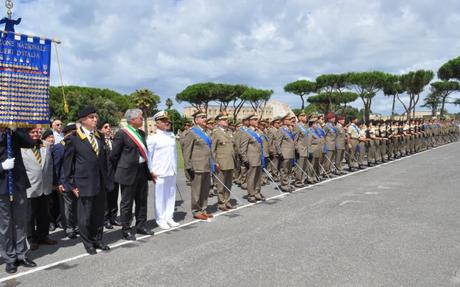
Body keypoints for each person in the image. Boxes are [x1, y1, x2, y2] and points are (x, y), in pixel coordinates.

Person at [64, 106, 110, 255]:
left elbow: (103, 160)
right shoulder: (74, 138)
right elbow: (68, 164)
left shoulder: (99, 136)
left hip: (100, 182)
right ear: (83, 120)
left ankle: (98, 239)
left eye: (96, 117)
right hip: (83, 183)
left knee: (98, 213)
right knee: (85, 215)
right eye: (92, 117)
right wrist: (72, 185)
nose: (95, 119)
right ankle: (88, 242)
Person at [111, 109, 154, 240]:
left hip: (141, 170)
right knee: (127, 203)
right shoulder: (122, 134)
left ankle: (141, 225)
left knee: (142, 200)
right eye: (140, 118)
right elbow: (113, 155)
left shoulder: (141, 133)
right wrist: (123, 167)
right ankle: (126, 229)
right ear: (132, 119)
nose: (142, 119)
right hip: (128, 173)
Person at [0, 128, 39, 273]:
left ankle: (21, 254)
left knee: (20, 221)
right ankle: (9, 258)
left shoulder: (14, 133)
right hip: (2, 185)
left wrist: (15, 130)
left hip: (18, 184)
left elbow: (30, 143)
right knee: (5, 225)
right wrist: (1, 166)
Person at [21, 128, 57, 251]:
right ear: (27, 134)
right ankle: (32, 239)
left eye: (37, 132)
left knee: (44, 214)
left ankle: (43, 236)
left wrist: (52, 183)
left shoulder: (45, 146)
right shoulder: (22, 148)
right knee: (30, 216)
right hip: (30, 187)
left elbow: (50, 165)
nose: (36, 134)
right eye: (32, 132)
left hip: (45, 186)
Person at [147, 111, 180, 230]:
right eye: (164, 121)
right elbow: (149, 156)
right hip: (159, 172)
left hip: (171, 170)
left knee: (171, 195)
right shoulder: (152, 138)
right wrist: (151, 171)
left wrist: (175, 168)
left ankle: (169, 217)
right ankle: (160, 219)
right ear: (157, 123)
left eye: (167, 120)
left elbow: (174, 154)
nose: (167, 123)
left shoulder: (171, 135)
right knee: (160, 197)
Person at [183, 110, 214, 220]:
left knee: (205, 189)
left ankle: (203, 209)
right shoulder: (191, 132)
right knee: (197, 190)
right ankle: (196, 210)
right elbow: (187, 152)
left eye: (205, 117)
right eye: (202, 117)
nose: (205, 119)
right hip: (197, 166)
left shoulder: (205, 132)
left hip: (206, 165)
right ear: (196, 120)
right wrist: (188, 167)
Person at [53, 123, 79, 239]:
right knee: (67, 208)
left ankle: (77, 226)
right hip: (65, 182)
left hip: (76, 181)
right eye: (74, 132)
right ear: (67, 134)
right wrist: (58, 183)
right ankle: (69, 228)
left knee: (76, 206)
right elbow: (56, 167)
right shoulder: (59, 147)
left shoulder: (77, 145)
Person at [211, 112, 236, 211]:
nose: (226, 121)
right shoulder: (216, 133)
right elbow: (212, 149)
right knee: (221, 184)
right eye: (224, 119)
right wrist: (215, 162)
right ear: (218, 121)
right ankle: (221, 203)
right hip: (221, 162)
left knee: (229, 183)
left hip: (230, 161)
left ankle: (227, 200)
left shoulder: (229, 132)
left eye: (227, 119)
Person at [99, 121, 120, 230]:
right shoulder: (100, 142)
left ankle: (113, 217)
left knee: (114, 196)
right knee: (106, 199)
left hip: (115, 173)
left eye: (109, 126)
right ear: (101, 130)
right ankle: (105, 219)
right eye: (105, 127)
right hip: (105, 174)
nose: (108, 128)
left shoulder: (113, 141)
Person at [240, 114, 266, 202]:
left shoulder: (258, 132)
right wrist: (245, 159)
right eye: (254, 119)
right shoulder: (246, 132)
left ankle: (257, 192)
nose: (256, 121)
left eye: (256, 119)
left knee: (258, 176)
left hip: (259, 157)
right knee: (251, 177)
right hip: (251, 158)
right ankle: (251, 194)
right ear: (249, 121)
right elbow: (243, 148)